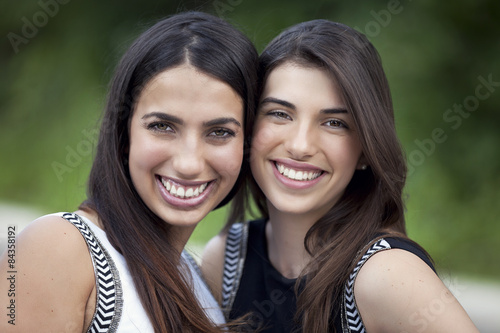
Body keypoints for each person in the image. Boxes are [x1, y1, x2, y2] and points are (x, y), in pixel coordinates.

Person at [201, 19, 479, 332]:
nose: (300, 145)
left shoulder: (385, 275)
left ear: (364, 150)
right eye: (280, 113)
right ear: (249, 127)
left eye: (334, 123)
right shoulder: (229, 261)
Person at [0, 11, 258, 332]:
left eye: (220, 132)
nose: (188, 164)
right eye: (162, 126)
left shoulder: (197, 280)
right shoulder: (58, 248)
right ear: (124, 135)